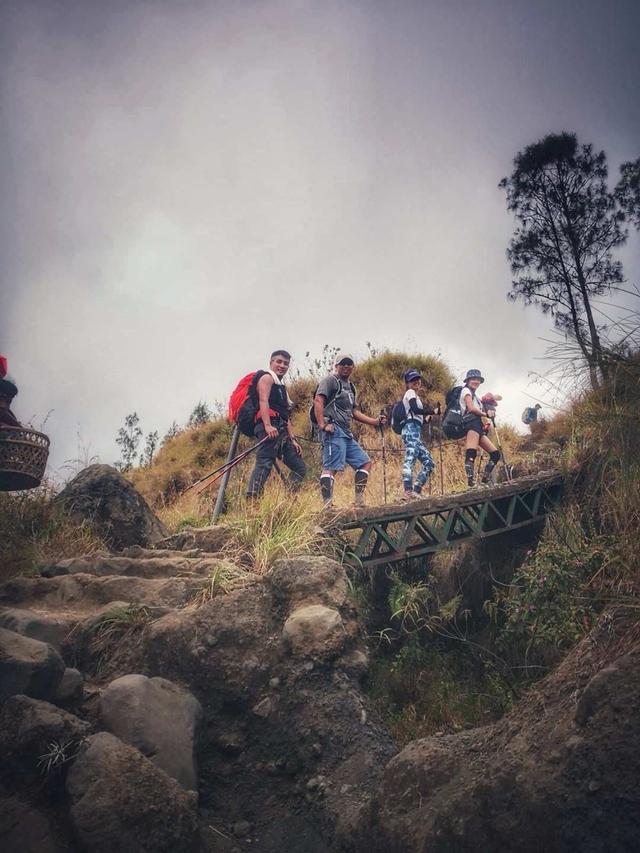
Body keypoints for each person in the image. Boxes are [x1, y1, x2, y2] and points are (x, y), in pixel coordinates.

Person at [313, 353, 386, 508]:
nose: (346, 367)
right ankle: (327, 506)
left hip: (346, 432)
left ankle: (359, 501)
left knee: (365, 462)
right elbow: (318, 400)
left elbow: (353, 412)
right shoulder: (330, 381)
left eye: (349, 364)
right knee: (331, 467)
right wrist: (322, 425)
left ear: (353, 366)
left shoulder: (351, 386)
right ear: (336, 366)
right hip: (333, 429)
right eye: (342, 364)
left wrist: (375, 422)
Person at [246, 350, 306, 498]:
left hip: (281, 430)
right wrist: (267, 425)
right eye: (278, 361)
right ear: (271, 362)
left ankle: (288, 500)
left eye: (286, 363)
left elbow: (286, 415)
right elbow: (263, 401)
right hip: (268, 426)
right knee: (265, 463)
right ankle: (253, 502)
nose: (282, 365)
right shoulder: (266, 378)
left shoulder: (281, 388)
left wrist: (293, 439)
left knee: (300, 467)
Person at [459, 369, 501, 487]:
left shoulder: (476, 395)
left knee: (495, 454)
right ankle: (471, 484)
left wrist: (487, 415)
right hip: (470, 422)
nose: (476, 381)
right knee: (471, 453)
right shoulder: (466, 390)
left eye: (478, 379)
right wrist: (485, 415)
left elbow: (481, 408)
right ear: (467, 380)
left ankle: (484, 480)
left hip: (478, 424)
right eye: (473, 379)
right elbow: (471, 408)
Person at [400, 368, 435, 500]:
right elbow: (414, 409)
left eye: (417, 379)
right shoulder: (410, 393)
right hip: (410, 429)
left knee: (429, 462)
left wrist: (425, 420)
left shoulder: (415, 395)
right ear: (407, 383)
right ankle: (408, 492)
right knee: (410, 459)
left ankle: (416, 490)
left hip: (414, 429)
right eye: (412, 380)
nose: (416, 382)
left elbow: (415, 415)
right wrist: (432, 411)